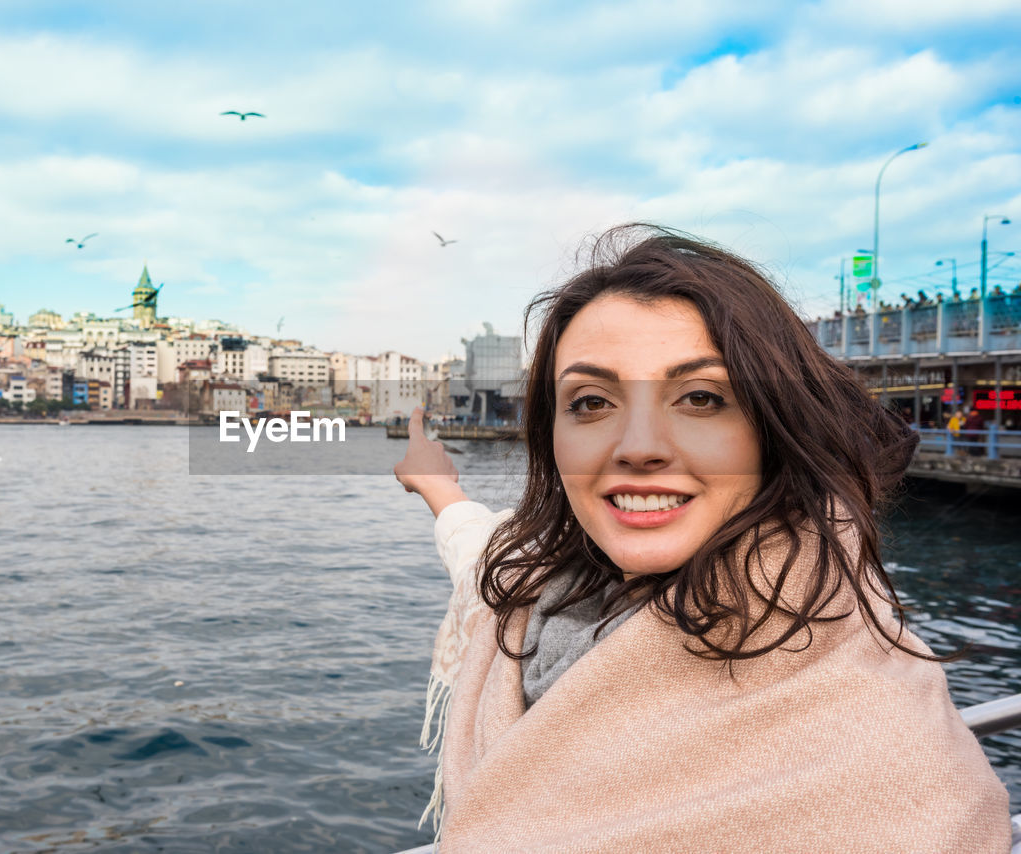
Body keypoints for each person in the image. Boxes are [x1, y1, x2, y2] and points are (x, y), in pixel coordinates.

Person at [393, 226, 1010, 852]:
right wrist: (440, 488)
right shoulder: (547, 594)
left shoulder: (887, 764)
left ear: (775, 428)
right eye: (590, 402)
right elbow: (483, 551)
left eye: (699, 397)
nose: (637, 447)